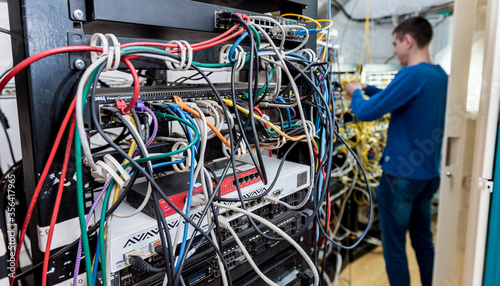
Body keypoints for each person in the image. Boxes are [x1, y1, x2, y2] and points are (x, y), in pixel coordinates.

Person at [345, 16, 448, 286]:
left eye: (395, 43)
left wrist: (356, 92)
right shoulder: (439, 76)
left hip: (400, 179)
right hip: (427, 178)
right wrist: (369, 88)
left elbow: (366, 111)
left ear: (408, 41)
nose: (393, 50)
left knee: (394, 249)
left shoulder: (411, 74)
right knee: (424, 243)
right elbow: (403, 98)